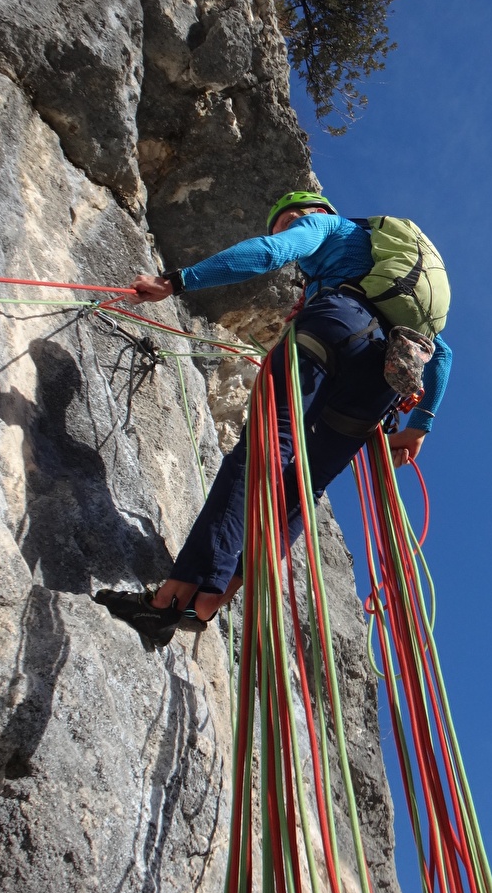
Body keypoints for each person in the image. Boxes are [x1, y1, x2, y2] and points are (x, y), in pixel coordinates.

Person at [97, 192, 452, 646]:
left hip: (338, 325)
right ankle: (212, 600)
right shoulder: (392, 273)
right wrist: (419, 426)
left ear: (310, 212)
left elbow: (270, 253)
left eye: (286, 221)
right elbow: (441, 353)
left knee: (267, 443)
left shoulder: (331, 227)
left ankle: (172, 598)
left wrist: (178, 281)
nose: (284, 231)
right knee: (304, 486)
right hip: (388, 375)